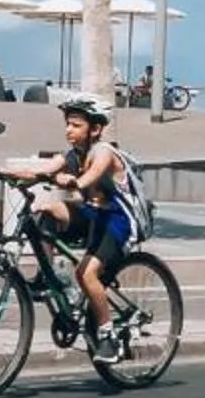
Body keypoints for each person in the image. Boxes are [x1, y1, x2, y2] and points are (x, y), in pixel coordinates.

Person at [9, 91, 143, 348]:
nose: (69, 130)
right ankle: (47, 278)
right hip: (92, 215)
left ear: (95, 129)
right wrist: (0, 173)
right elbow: (41, 170)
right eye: (68, 124)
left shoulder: (104, 152)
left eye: (76, 125)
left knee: (86, 274)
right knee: (46, 210)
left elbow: (91, 176)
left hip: (117, 221)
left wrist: (74, 181)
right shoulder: (73, 154)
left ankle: (107, 335)